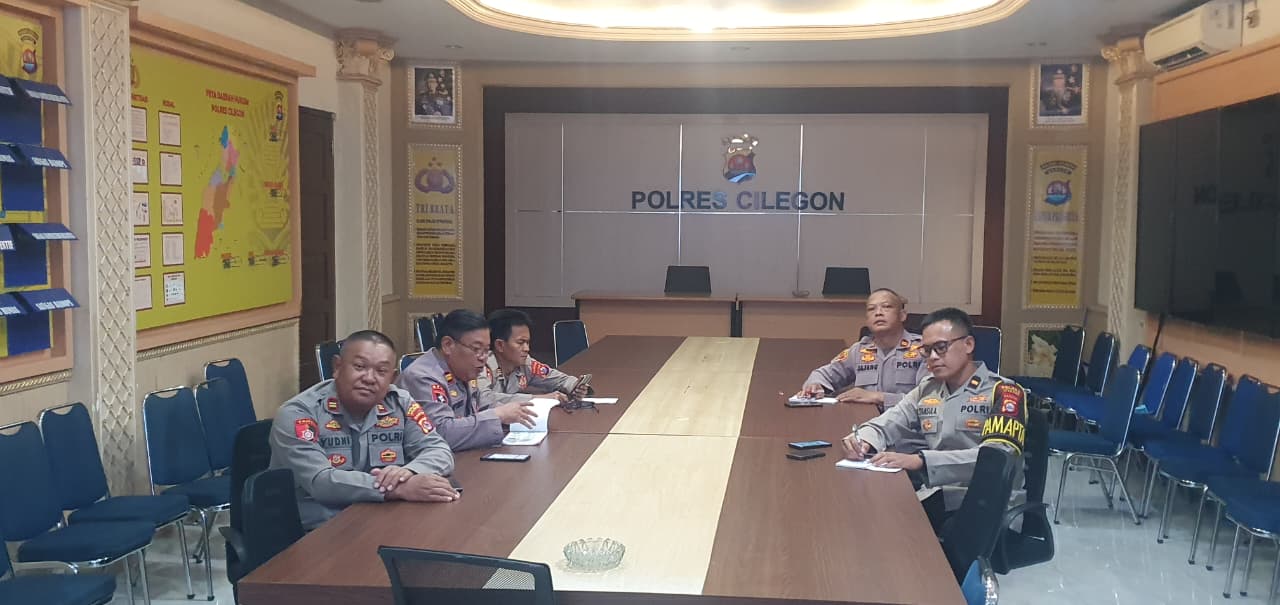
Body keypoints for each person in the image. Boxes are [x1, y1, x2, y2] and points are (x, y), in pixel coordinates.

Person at [840, 307, 1027, 528]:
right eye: (927, 351)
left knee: (893, 527)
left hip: (990, 506)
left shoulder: (1005, 392)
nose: (933, 358)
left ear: (968, 344)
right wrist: (863, 439)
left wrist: (921, 460)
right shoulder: (928, 389)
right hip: (940, 495)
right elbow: (889, 422)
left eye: (941, 348)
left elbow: (995, 459)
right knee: (866, 509)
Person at [269, 330, 458, 530]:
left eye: (381, 371)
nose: (369, 378)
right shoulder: (299, 413)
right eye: (359, 367)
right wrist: (398, 488)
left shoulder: (400, 403)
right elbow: (320, 481)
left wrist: (408, 472)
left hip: (382, 519)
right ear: (337, 367)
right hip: (318, 530)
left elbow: (439, 451)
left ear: (392, 377)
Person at [397, 309, 537, 451]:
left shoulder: (463, 370)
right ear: (447, 345)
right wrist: (498, 415)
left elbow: (482, 403)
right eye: (476, 349)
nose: (483, 358)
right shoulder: (423, 377)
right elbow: (440, 433)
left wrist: (514, 411)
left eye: (486, 350)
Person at [797, 288, 928, 411]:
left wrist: (879, 397)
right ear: (867, 319)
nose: (878, 313)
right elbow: (824, 374)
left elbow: (929, 399)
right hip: (865, 420)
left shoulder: (924, 350)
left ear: (902, 315)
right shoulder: (860, 350)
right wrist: (815, 385)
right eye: (871, 309)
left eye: (886, 307)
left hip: (907, 424)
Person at [478, 309, 591, 405]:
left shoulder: (526, 363)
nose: (526, 348)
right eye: (520, 343)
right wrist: (537, 399)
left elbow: (556, 378)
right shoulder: (481, 365)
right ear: (500, 345)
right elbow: (482, 399)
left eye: (527, 342)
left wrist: (574, 386)